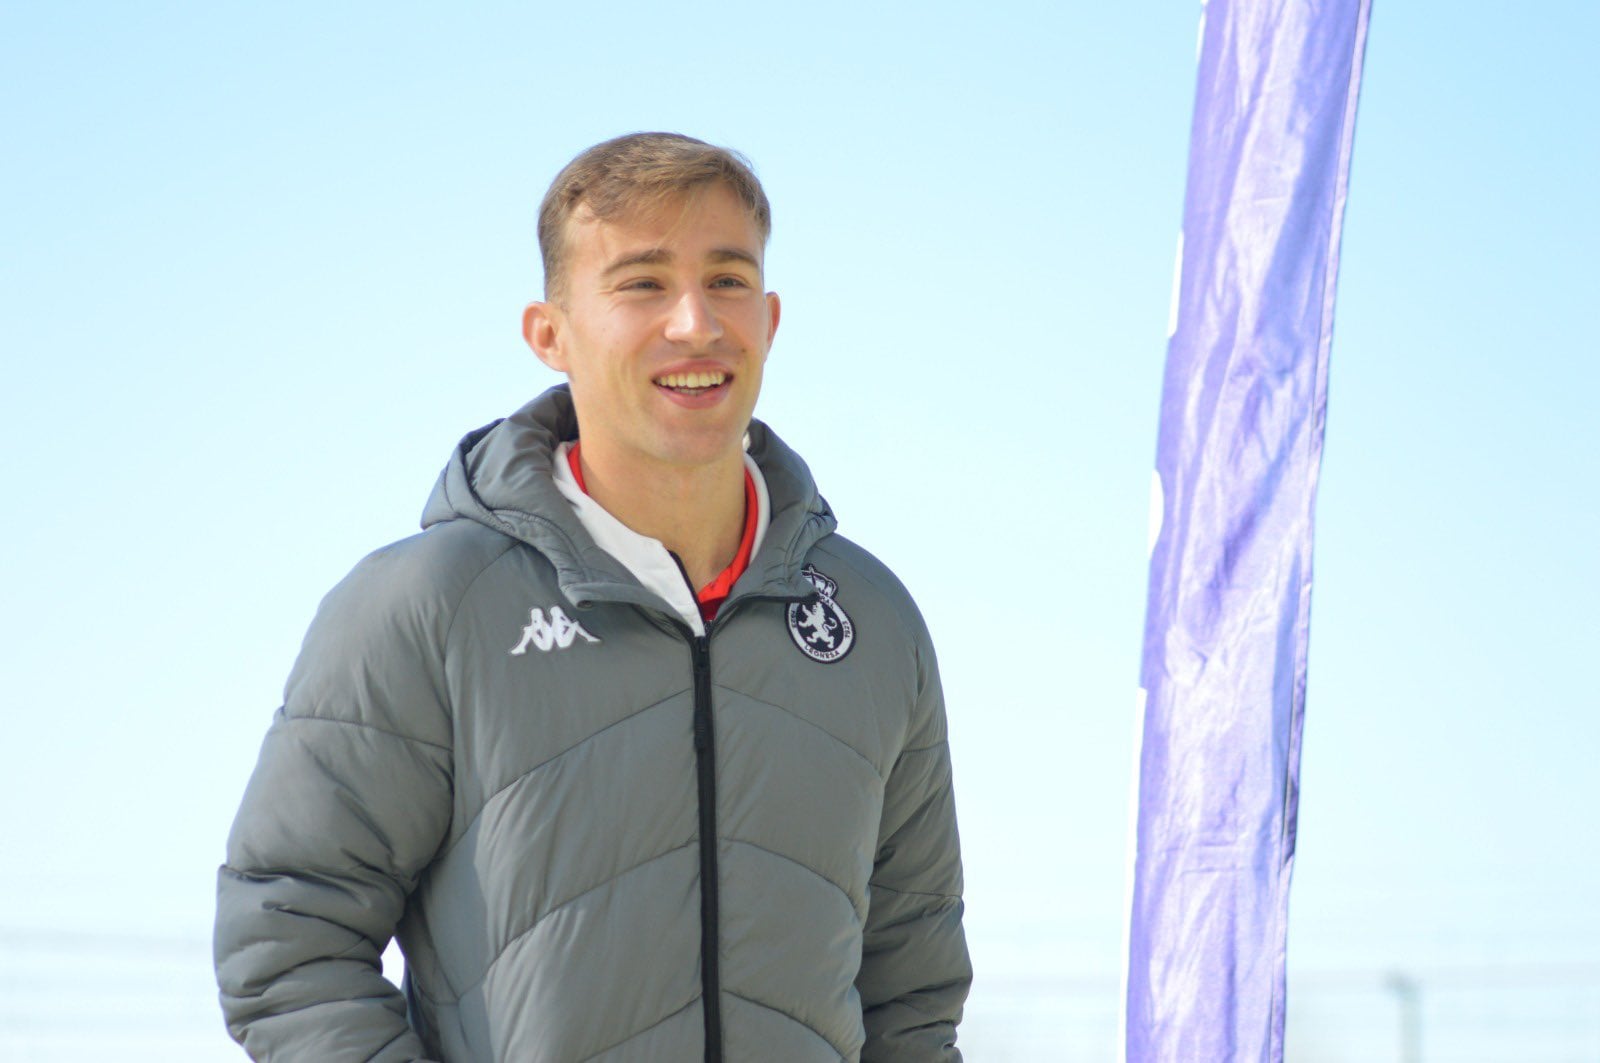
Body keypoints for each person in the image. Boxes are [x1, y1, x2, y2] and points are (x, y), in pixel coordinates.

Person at [214, 132, 970, 1062]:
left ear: (770, 318)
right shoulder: (426, 606)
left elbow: (914, 992)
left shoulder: (870, 623)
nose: (696, 323)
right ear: (550, 333)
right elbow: (288, 940)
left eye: (727, 279)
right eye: (643, 282)